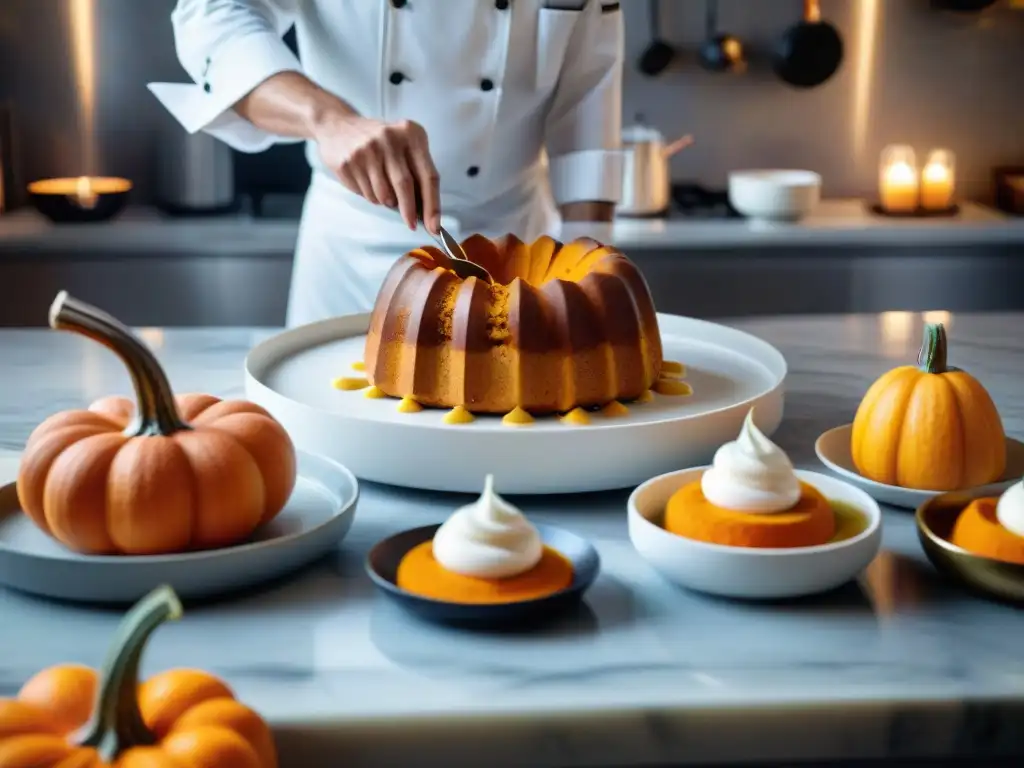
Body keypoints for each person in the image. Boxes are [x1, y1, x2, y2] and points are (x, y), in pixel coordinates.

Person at [153, 0, 624, 326]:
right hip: (353, 252)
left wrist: (590, 264)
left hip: (522, 250)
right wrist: (329, 119)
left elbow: (590, 86)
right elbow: (216, 15)